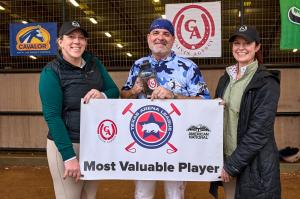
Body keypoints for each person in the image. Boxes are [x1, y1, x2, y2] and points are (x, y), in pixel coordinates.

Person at [121, 18, 210, 199]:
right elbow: (122, 95)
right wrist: (133, 90)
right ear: (148, 37)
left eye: (166, 34)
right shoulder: (138, 65)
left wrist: (174, 95)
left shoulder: (188, 67)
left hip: (177, 143)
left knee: (175, 194)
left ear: (173, 39)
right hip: (143, 142)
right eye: (156, 33)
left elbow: (204, 101)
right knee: (142, 193)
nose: (160, 37)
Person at [39, 21, 119, 198]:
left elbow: (114, 91)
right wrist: (69, 157)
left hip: (94, 143)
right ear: (60, 42)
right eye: (71, 37)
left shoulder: (94, 63)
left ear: (86, 42)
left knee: (89, 196)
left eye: (81, 37)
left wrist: (102, 95)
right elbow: (52, 117)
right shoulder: (51, 72)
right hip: (68, 144)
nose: (77, 41)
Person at [210, 25, 281, 199]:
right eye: (236, 43)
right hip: (227, 159)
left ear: (257, 47)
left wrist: (232, 166)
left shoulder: (266, 82)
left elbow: (259, 131)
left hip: (253, 165)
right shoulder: (225, 79)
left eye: (247, 43)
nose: (241, 48)